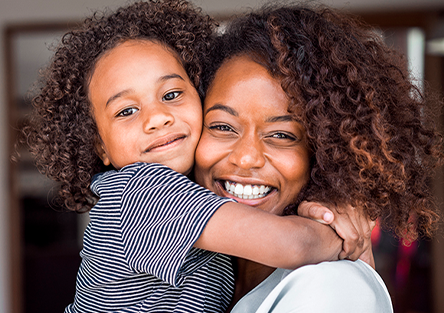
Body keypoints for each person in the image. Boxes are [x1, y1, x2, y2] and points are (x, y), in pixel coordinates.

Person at [21, 1, 373, 312]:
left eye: (172, 93)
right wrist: (341, 235)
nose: (156, 117)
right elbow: (293, 245)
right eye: (126, 111)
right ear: (99, 146)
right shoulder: (140, 191)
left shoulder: (197, 203)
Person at [195, 3, 443, 312]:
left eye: (282, 135)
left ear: (326, 155)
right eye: (222, 126)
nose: (246, 158)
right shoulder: (200, 275)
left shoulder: (331, 286)